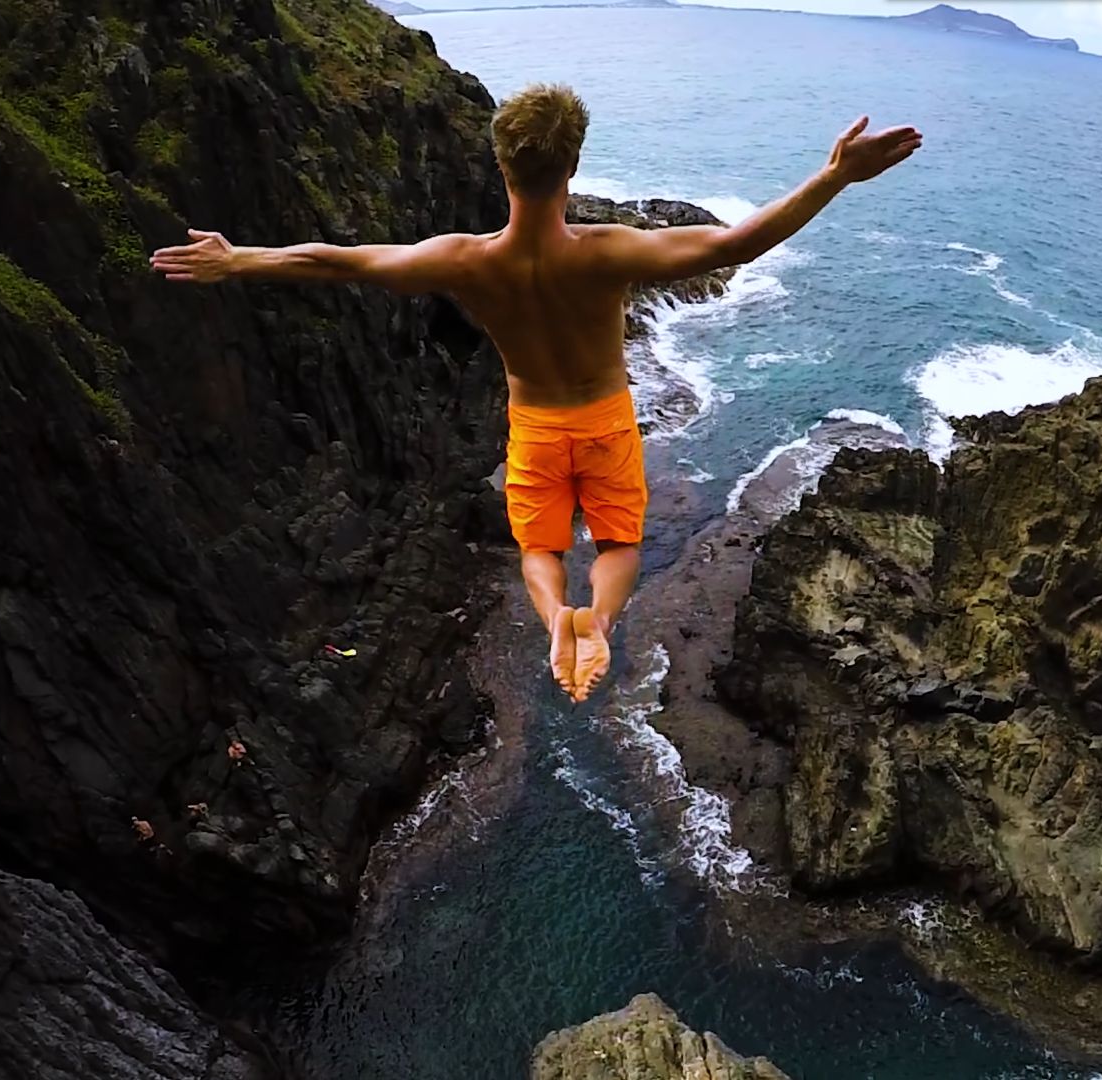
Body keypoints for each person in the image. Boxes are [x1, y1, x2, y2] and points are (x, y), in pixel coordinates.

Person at [151, 83, 922, 702]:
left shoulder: (465, 261)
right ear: (574, 167)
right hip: (607, 421)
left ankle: (558, 617)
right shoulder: (608, 252)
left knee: (540, 549)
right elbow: (735, 244)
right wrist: (835, 176)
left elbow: (343, 263)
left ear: (500, 165)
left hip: (535, 427)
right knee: (617, 545)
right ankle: (601, 622)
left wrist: (241, 259)